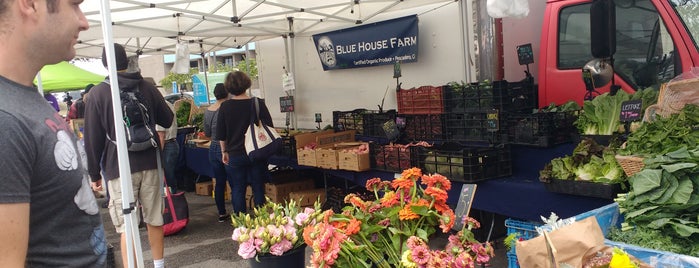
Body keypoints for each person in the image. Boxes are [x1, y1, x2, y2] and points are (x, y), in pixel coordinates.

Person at [0, 0, 107, 266]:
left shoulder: (22, 98)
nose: (84, 21)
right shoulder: (5, 118)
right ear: (30, 4)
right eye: (74, 5)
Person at [84, 43, 173, 268]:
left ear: (105, 63)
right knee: (154, 218)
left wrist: (94, 173)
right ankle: (159, 265)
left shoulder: (98, 93)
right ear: (127, 61)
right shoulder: (146, 86)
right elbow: (168, 119)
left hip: (119, 167)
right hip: (151, 162)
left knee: (127, 224)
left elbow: (92, 139)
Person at [216, 71, 273, 214]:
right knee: (258, 186)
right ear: (247, 84)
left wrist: (224, 151)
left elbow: (221, 134)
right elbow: (269, 127)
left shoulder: (225, 107)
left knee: (238, 188)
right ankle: (261, 222)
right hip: (257, 152)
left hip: (235, 153)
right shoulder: (257, 103)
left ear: (228, 87)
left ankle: (242, 225)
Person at [204, 83, 233, 221]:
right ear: (227, 93)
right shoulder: (227, 108)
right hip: (227, 147)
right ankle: (238, 211)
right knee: (234, 180)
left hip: (213, 147)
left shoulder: (208, 110)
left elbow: (207, 132)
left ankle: (221, 212)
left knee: (219, 182)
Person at [157, 101, 180, 193]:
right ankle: (173, 199)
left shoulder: (158, 107)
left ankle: (171, 201)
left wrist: (159, 153)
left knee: (167, 177)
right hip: (172, 144)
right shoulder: (167, 104)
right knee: (169, 176)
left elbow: (161, 135)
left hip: (167, 145)